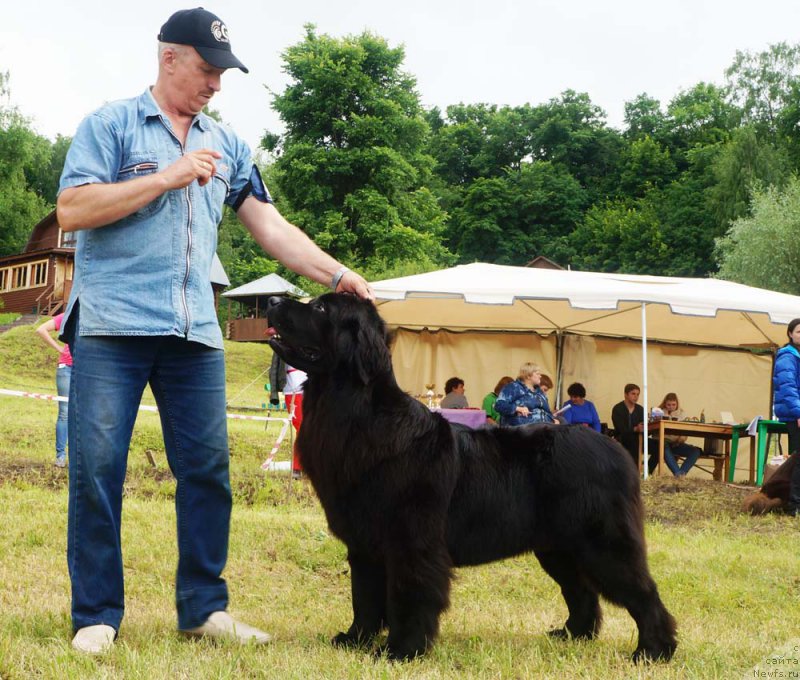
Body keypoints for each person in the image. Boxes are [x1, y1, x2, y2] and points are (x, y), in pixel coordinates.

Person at [55, 7, 373, 655]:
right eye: (206, 69)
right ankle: (96, 615)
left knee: (207, 471)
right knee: (97, 470)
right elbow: (73, 209)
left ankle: (203, 608)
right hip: (111, 328)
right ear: (169, 58)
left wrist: (337, 275)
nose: (215, 85)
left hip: (195, 331)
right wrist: (167, 177)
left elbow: (271, 227)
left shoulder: (228, 145)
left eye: (223, 73)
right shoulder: (109, 126)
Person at [35, 313, 72, 468]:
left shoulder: (95, 314)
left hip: (88, 371)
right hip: (67, 369)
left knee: (86, 414)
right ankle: (60, 456)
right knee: (64, 413)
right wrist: (59, 349)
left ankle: (80, 458)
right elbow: (41, 329)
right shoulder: (69, 314)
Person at [772, 318, 800, 516]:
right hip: (795, 414)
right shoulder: (787, 357)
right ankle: (794, 505)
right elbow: (788, 388)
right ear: (790, 334)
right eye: (799, 331)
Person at [611, 383, 657, 473]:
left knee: (659, 446)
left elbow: (644, 429)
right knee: (633, 442)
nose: (636, 397)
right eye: (633, 394)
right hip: (623, 439)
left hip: (639, 439)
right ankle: (633, 472)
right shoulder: (618, 408)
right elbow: (621, 429)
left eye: (637, 394)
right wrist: (635, 429)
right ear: (625, 394)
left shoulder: (640, 409)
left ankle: (648, 472)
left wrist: (649, 427)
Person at [656, 392, 701, 477]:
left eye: (673, 405)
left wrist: (681, 439)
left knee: (696, 451)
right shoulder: (659, 412)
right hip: (663, 443)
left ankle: (681, 473)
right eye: (669, 405)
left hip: (677, 443)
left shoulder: (682, 414)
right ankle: (678, 474)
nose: (671, 407)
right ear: (665, 403)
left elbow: (685, 431)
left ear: (677, 404)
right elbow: (654, 430)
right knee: (664, 446)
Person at [284, 364, 307, 478]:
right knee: (302, 428)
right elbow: (275, 369)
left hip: (312, 389)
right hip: (293, 391)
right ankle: (297, 467)